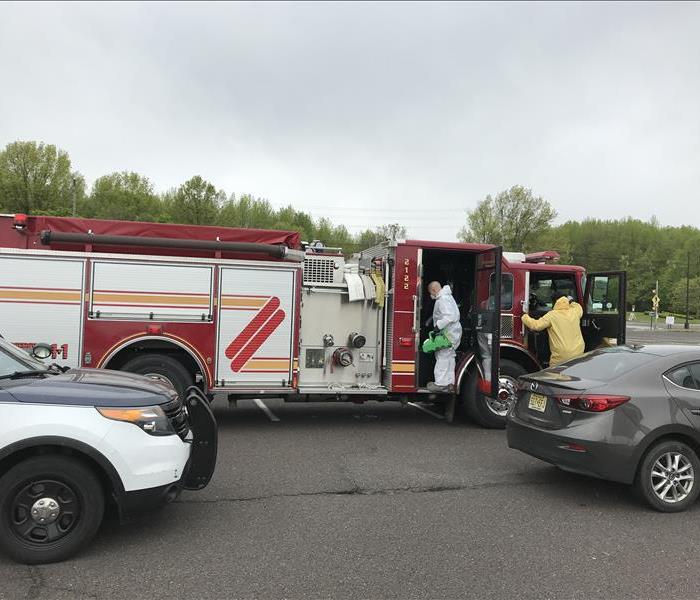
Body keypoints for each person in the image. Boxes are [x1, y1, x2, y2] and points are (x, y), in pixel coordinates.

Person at [522, 292, 584, 366]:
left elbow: (536, 325)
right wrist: (570, 300)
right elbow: (578, 306)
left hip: (562, 355)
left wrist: (524, 316)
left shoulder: (552, 315)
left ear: (555, 302)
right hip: (579, 352)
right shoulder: (575, 311)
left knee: (555, 374)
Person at [426, 281, 462, 392]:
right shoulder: (447, 297)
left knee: (442, 356)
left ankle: (440, 383)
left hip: (448, 332)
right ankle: (449, 383)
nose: (431, 295)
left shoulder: (442, 300)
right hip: (453, 332)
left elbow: (449, 316)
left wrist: (438, 326)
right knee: (450, 356)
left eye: (430, 293)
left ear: (433, 290)